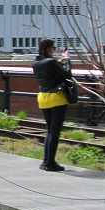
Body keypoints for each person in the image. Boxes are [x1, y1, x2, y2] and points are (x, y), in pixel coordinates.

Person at [33, 38, 73, 172]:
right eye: (53, 48)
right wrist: (66, 60)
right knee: (54, 133)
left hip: (43, 98)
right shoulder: (51, 62)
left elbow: (50, 72)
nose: (54, 50)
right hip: (57, 98)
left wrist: (58, 62)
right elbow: (67, 75)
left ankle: (46, 161)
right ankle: (50, 163)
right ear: (47, 49)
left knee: (49, 131)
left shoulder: (36, 63)